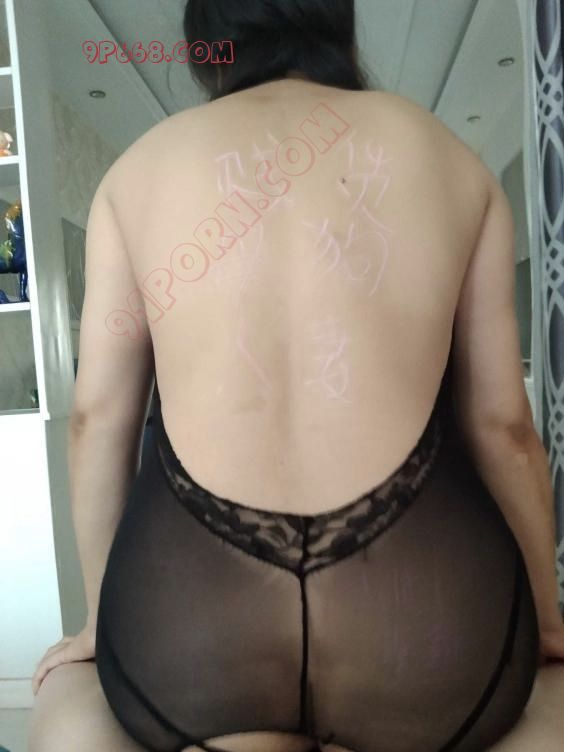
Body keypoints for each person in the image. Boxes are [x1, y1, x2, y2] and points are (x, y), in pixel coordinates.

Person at [29, 1, 564, 751]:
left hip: (190, 610)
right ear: (335, 19)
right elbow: (502, 428)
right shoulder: (453, 162)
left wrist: (98, 620)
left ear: (207, 42)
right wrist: (546, 620)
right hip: (425, 604)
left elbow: (97, 420)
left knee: (79, 711)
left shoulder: (137, 173)